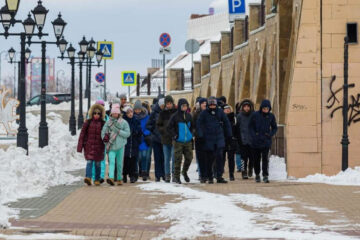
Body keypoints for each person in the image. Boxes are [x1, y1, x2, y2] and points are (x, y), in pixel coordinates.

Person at [197, 96, 232, 184]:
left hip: (219, 138)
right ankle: (210, 176)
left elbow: (226, 123)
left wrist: (229, 134)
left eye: (214, 105)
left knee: (220, 158)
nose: (212, 106)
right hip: (208, 139)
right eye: (211, 105)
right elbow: (199, 124)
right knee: (209, 159)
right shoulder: (204, 113)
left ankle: (219, 176)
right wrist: (201, 135)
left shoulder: (220, 112)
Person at [77, 103, 106, 186]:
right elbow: (82, 134)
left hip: (99, 147)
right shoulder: (88, 122)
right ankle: (88, 177)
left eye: (98, 113)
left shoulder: (103, 123)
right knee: (89, 162)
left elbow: (106, 134)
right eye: (95, 113)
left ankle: (97, 179)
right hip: (89, 146)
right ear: (92, 113)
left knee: (98, 164)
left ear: (101, 114)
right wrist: (80, 146)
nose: (96, 115)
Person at [102, 104, 131, 186]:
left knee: (119, 163)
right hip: (111, 146)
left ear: (119, 114)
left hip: (121, 146)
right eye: (113, 113)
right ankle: (111, 178)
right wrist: (105, 141)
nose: (115, 115)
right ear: (111, 114)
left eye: (116, 113)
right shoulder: (108, 123)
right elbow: (103, 133)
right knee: (111, 162)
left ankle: (119, 178)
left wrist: (119, 132)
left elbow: (128, 133)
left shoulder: (124, 122)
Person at [249, 99, 278, 183]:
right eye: (264, 108)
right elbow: (250, 127)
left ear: (269, 109)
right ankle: (257, 174)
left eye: (267, 109)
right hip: (256, 141)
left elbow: (274, 127)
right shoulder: (255, 115)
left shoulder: (271, 116)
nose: (265, 110)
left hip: (266, 141)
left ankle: (265, 175)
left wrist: (270, 134)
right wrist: (254, 135)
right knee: (256, 159)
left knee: (265, 159)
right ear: (261, 108)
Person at [168, 98, 193, 184]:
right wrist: (175, 135)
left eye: (186, 106)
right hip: (178, 141)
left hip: (188, 141)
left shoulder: (189, 116)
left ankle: (184, 172)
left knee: (189, 158)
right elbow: (169, 127)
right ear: (179, 106)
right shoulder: (175, 116)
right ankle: (176, 177)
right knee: (178, 159)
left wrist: (192, 134)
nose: (184, 107)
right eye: (183, 106)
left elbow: (192, 127)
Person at [157, 95, 177, 183]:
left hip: (174, 138)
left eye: (170, 103)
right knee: (166, 158)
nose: (168, 105)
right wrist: (164, 131)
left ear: (172, 103)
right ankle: (167, 175)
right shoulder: (162, 113)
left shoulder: (176, 112)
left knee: (174, 157)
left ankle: (174, 174)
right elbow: (158, 125)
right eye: (167, 104)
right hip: (165, 139)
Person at [146, 97, 165, 182]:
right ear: (159, 105)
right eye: (162, 105)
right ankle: (158, 176)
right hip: (156, 139)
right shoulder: (154, 113)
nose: (163, 107)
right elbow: (148, 125)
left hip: (165, 139)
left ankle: (164, 175)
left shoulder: (167, 112)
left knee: (164, 157)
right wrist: (153, 130)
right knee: (157, 158)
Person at [235, 99, 255, 179]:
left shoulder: (254, 115)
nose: (246, 108)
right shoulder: (239, 116)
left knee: (252, 157)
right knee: (243, 157)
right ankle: (244, 171)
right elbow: (237, 128)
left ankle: (250, 168)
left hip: (252, 140)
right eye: (245, 107)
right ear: (242, 108)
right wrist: (238, 138)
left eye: (248, 107)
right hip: (242, 140)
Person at [91, 99, 109, 184]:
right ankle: (95, 177)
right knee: (94, 160)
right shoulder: (91, 117)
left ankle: (101, 176)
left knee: (102, 159)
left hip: (102, 143)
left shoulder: (106, 118)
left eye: (102, 106)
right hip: (93, 143)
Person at [123, 106, 142, 183]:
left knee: (133, 160)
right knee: (126, 160)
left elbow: (140, 131)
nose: (130, 114)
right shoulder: (123, 121)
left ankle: (132, 175)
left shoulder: (136, 120)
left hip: (134, 143)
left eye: (131, 112)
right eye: (128, 113)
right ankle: (124, 175)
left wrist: (136, 133)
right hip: (126, 143)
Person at [134, 100, 152, 181]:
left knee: (144, 156)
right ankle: (137, 172)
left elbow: (150, 126)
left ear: (141, 109)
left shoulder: (146, 116)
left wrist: (145, 133)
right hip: (136, 139)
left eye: (138, 109)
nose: (137, 111)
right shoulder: (133, 116)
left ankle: (144, 172)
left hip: (144, 138)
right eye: (136, 109)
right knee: (138, 157)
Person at [192, 97, 207, 183]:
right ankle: (201, 175)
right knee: (200, 157)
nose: (204, 104)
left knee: (208, 157)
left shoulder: (209, 113)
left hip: (208, 138)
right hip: (199, 138)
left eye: (205, 103)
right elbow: (193, 126)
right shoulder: (196, 114)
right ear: (200, 105)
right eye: (203, 103)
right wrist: (197, 133)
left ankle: (207, 174)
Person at [223, 104, 237, 181]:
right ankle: (220, 172)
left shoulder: (234, 118)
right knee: (222, 158)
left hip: (231, 140)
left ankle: (231, 174)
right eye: (225, 109)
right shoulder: (221, 117)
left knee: (231, 158)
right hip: (223, 140)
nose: (227, 110)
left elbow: (237, 128)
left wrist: (235, 138)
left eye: (228, 109)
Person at [234, 102, 243, 172]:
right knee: (238, 152)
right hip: (237, 136)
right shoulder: (236, 117)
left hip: (244, 135)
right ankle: (239, 166)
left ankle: (242, 166)